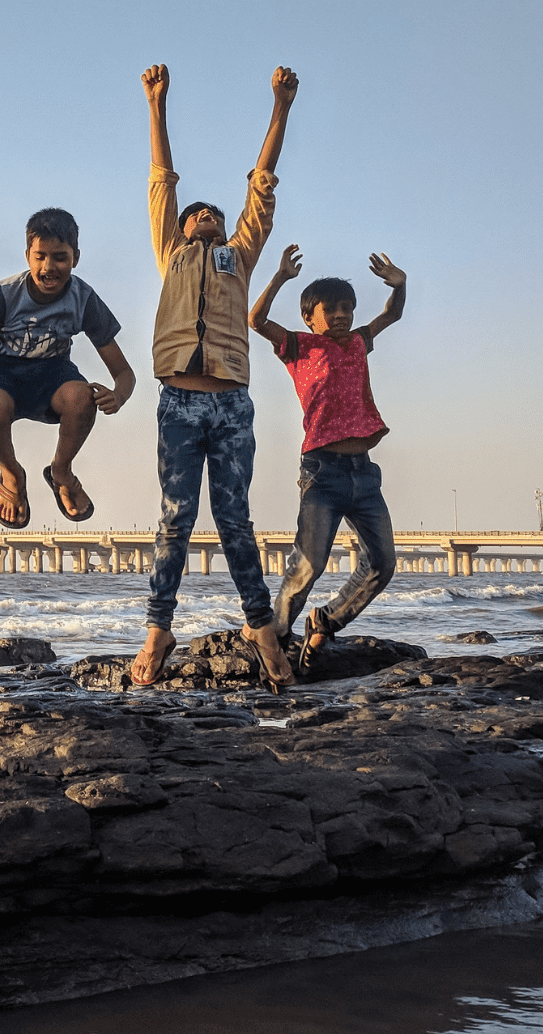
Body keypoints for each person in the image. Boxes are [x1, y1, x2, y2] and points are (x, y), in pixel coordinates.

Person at [135, 63, 299, 692]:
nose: (202, 214)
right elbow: (161, 182)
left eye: (213, 214)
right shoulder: (170, 253)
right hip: (179, 400)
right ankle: (158, 628)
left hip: (231, 405)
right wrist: (157, 104)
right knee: (174, 519)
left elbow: (261, 187)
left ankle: (260, 627)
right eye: (193, 213)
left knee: (235, 519)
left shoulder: (239, 256)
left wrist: (279, 108)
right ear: (179, 228)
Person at [250, 245, 407, 673]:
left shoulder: (359, 342)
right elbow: (256, 321)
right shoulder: (299, 346)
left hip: (364, 476)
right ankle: (277, 637)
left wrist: (400, 285)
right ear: (309, 317)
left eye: (347, 309)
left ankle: (326, 621)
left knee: (383, 564)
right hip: (322, 472)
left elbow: (391, 315)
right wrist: (281, 277)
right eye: (330, 309)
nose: (341, 316)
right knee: (310, 564)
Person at [0, 208, 136, 528]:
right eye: (40, 256)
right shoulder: (0, 296)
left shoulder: (83, 299)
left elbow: (124, 372)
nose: (48, 267)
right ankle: (11, 473)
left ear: (76, 257)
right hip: (1, 371)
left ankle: (61, 471)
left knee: (82, 396)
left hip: (52, 372)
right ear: (27, 255)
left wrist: (120, 395)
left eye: (60, 257)